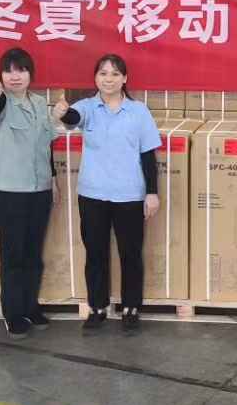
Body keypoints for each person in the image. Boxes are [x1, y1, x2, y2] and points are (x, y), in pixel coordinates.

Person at [59, 54, 161, 333]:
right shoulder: (87, 107)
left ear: (124, 78)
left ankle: (131, 308)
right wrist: (62, 112)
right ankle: (97, 307)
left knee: (131, 253)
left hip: (129, 195)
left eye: (115, 74)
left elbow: (148, 154)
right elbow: (72, 118)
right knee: (96, 253)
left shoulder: (138, 111)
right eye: (103, 73)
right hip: (93, 194)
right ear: (95, 78)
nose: (109, 79)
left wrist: (152, 193)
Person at [0, 48, 58, 338]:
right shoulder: (0, 101)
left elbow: (46, 145)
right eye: (8, 70)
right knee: (13, 255)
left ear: (31, 74)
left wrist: (53, 180)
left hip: (39, 190)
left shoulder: (40, 103)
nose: (15, 76)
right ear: (0, 75)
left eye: (21, 70)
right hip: (10, 192)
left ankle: (31, 306)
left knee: (33, 253)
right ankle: (13, 313)